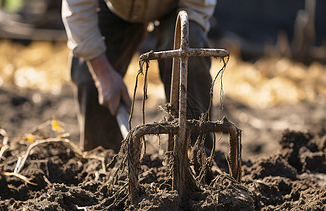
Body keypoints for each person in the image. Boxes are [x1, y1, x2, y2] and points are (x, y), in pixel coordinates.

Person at [62, 0, 216, 152]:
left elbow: (198, 6)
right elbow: (78, 9)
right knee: (87, 75)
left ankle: (197, 156)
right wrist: (103, 74)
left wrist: (188, 31)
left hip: (174, 6)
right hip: (115, 7)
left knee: (191, 47)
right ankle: (107, 158)